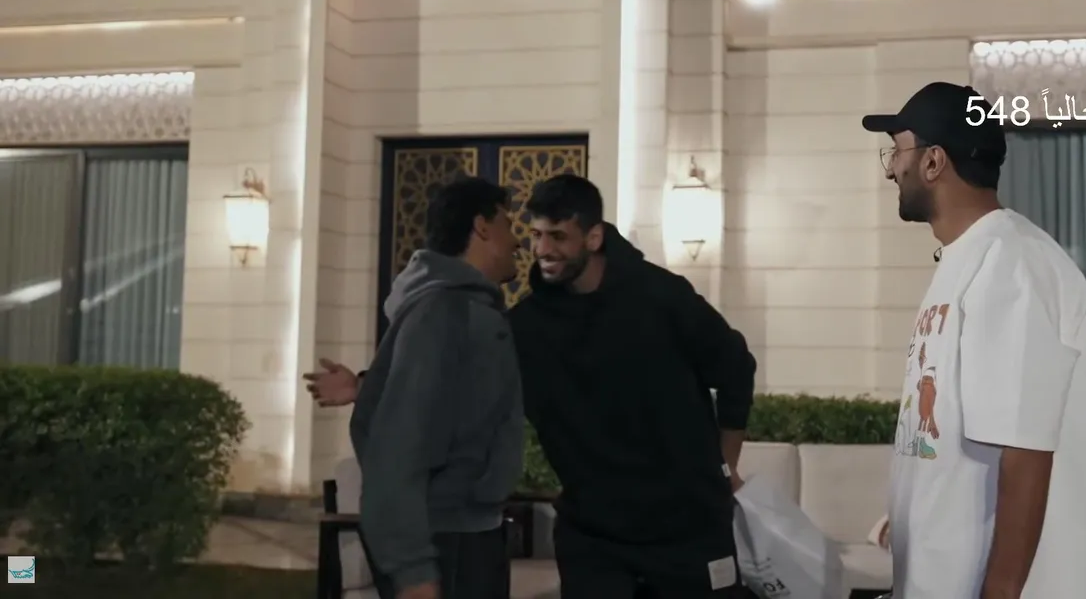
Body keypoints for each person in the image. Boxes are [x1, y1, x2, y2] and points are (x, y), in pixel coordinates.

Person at [308, 174, 758, 599]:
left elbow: (736, 368)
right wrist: (367, 384)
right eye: (537, 234)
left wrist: (724, 467)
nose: (540, 249)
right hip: (594, 539)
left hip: (689, 531)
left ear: (593, 237)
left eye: (557, 236)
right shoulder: (522, 326)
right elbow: (453, 380)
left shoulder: (662, 297)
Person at [864, 82, 1086, 599]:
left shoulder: (1011, 264)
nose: (890, 170)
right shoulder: (967, 258)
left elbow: (1026, 449)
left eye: (896, 152)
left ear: (933, 161)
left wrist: (1000, 591)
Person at [348, 176, 524, 599]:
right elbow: (400, 445)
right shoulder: (444, 313)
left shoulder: (467, 310)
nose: (517, 240)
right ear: (482, 226)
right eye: (507, 224)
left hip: (471, 536)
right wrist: (413, 570)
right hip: (448, 545)